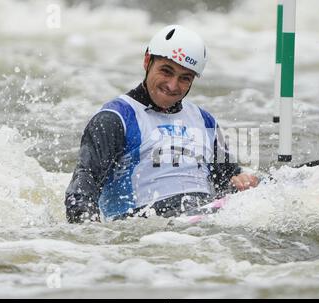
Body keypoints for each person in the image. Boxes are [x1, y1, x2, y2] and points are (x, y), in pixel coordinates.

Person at [65, 25, 259, 223]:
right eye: (166, 72)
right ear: (147, 61)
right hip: (145, 227)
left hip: (204, 218)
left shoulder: (205, 120)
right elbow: (82, 188)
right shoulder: (115, 119)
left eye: (185, 78)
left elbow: (227, 178)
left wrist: (241, 181)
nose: (173, 86)